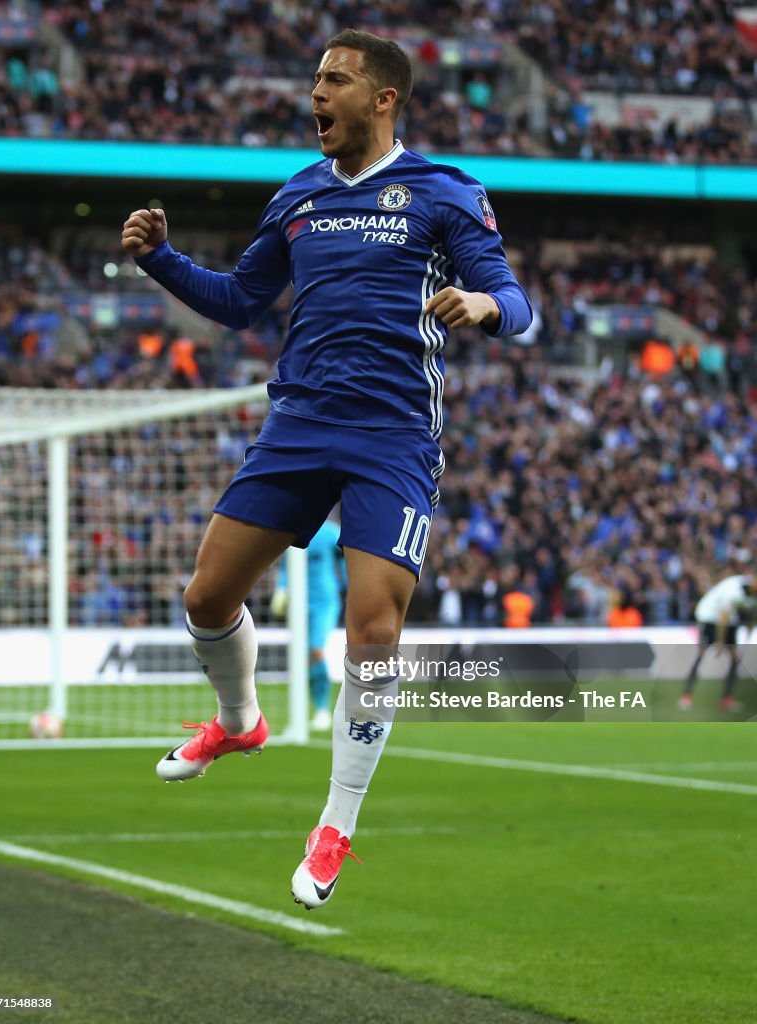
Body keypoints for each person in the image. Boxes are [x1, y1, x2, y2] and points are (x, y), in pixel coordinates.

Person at [121, 28, 531, 910]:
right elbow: (238, 301)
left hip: (392, 437)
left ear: (382, 98)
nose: (317, 93)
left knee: (372, 630)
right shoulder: (298, 195)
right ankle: (239, 725)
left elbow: (517, 299)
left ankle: (338, 819)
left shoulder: (443, 193)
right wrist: (160, 259)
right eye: (315, 79)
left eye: (334, 80)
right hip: (300, 421)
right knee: (204, 598)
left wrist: (485, 302)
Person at [271, 516, 344, 731]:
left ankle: (322, 710)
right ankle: (302, 713)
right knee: (302, 657)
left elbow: (346, 557)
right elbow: (286, 566)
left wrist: (350, 585)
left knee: (316, 650)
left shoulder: (330, 532)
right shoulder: (292, 530)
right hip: (298, 603)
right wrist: (281, 588)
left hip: (325, 602)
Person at [678, 572, 757, 713]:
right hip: (710, 617)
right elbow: (723, 619)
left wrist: (750, 630)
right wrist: (720, 644)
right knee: (701, 654)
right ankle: (686, 695)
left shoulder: (751, 594)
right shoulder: (733, 591)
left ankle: (726, 699)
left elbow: (752, 613)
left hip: (730, 620)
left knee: (735, 659)